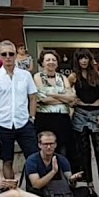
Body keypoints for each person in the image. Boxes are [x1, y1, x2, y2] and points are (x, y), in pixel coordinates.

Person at [0, 41, 39, 182]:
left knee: (33, 157)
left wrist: (32, 117)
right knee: (6, 160)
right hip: (4, 123)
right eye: (4, 54)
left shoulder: (25, 75)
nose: (8, 57)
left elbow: (33, 97)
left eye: (11, 54)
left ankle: (34, 188)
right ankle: (11, 189)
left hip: (24, 122)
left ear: (16, 55)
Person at [68, 49, 99, 197]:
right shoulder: (73, 77)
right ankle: (89, 183)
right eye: (81, 58)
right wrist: (72, 102)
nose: (84, 61)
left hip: (96, 112)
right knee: (83, 151)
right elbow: (67, 93)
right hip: (80, 113)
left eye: (86, 58)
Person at [33, 51, 76, 182]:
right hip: (45, 119)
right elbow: (42, 98)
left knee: (63, 150)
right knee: (46, 150)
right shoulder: (37, 77)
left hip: (62, 119)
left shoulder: (63, 78)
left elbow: (72, 98)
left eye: (53, 60)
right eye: (48, 60)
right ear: (42, 63)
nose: (51, 62)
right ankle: (47, 180)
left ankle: (64, 181)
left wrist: (52, 95)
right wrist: (63, 98)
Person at [25, 130, 84, 197]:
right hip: (40, 192)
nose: (49, 147)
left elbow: (70, 185)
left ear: (55, 144)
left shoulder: (62, 159)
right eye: (45, 144)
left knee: (84, 191)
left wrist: (73, 180)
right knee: (32, 193)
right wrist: (53, 171)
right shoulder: (32, 160)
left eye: (51, 144)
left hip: (59, 191)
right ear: (39, 145)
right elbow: (36, 185)